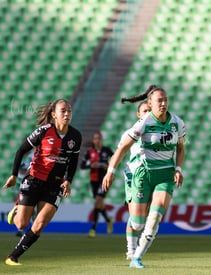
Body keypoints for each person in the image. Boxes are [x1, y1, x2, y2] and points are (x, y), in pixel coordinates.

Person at [102, 85, 186, 268]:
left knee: (155, 217)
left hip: (165, 174)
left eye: (165, 100)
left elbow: (180, 148)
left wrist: (178, 169)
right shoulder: (145, 122)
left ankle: (137, 257)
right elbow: (123, 147)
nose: (163, 104)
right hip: (142, 174)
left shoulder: (177, 123)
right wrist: (111, 171)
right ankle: (131, 247)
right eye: (159, 100)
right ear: (150, 103)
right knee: (138, 224)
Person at [2, 99, 82, 266]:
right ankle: (17, 209)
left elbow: (73, 161)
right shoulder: (43, 131)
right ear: (54, 115)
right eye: (63, 111)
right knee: (21, 224)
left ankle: (13, 256)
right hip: (34, 180)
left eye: (69, 111)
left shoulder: (75, 136)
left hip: (55, 185)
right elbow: (21, 151)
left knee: (39, 225)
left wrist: (68, 180)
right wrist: (14, 175)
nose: (67, 114)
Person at [118, 100, 151, 260]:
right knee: (136, 221)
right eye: (144, 111)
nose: (147, 113)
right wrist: (110, 171)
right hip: (133, 176)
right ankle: (130, 250)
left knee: (145, 218)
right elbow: (120, 152)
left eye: (149, 110)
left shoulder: (158, 133)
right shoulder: (130, 133)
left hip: (151, 176)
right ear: (139, 114)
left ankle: (135, 249)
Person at [80, 131, 114, 237]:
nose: (97, 140)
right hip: (93, 180)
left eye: (99, 138)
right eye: (95, 138)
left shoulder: (107, 150)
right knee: (100, 204)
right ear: (93, 140)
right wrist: (91, 165)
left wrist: (108, 166)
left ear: (102, 139)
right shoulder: (89, 152)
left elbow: (116, 161)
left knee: (97, 202)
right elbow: (82, 165)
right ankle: (108, 220)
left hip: (105, 180)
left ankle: (93, 229)